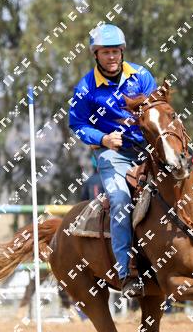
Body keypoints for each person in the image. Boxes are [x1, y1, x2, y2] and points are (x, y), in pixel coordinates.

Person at [68, 23, 158, 297]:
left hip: (148, 149)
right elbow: (77, 124)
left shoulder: (142, 76)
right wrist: (103, 138)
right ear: (95, 54)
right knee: (120, 201)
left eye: (115, 51)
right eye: (106, 52)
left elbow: (156, 110)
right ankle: (126, 273)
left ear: (122, 52)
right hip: (113, 155)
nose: (112, 57)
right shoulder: (85, 88)